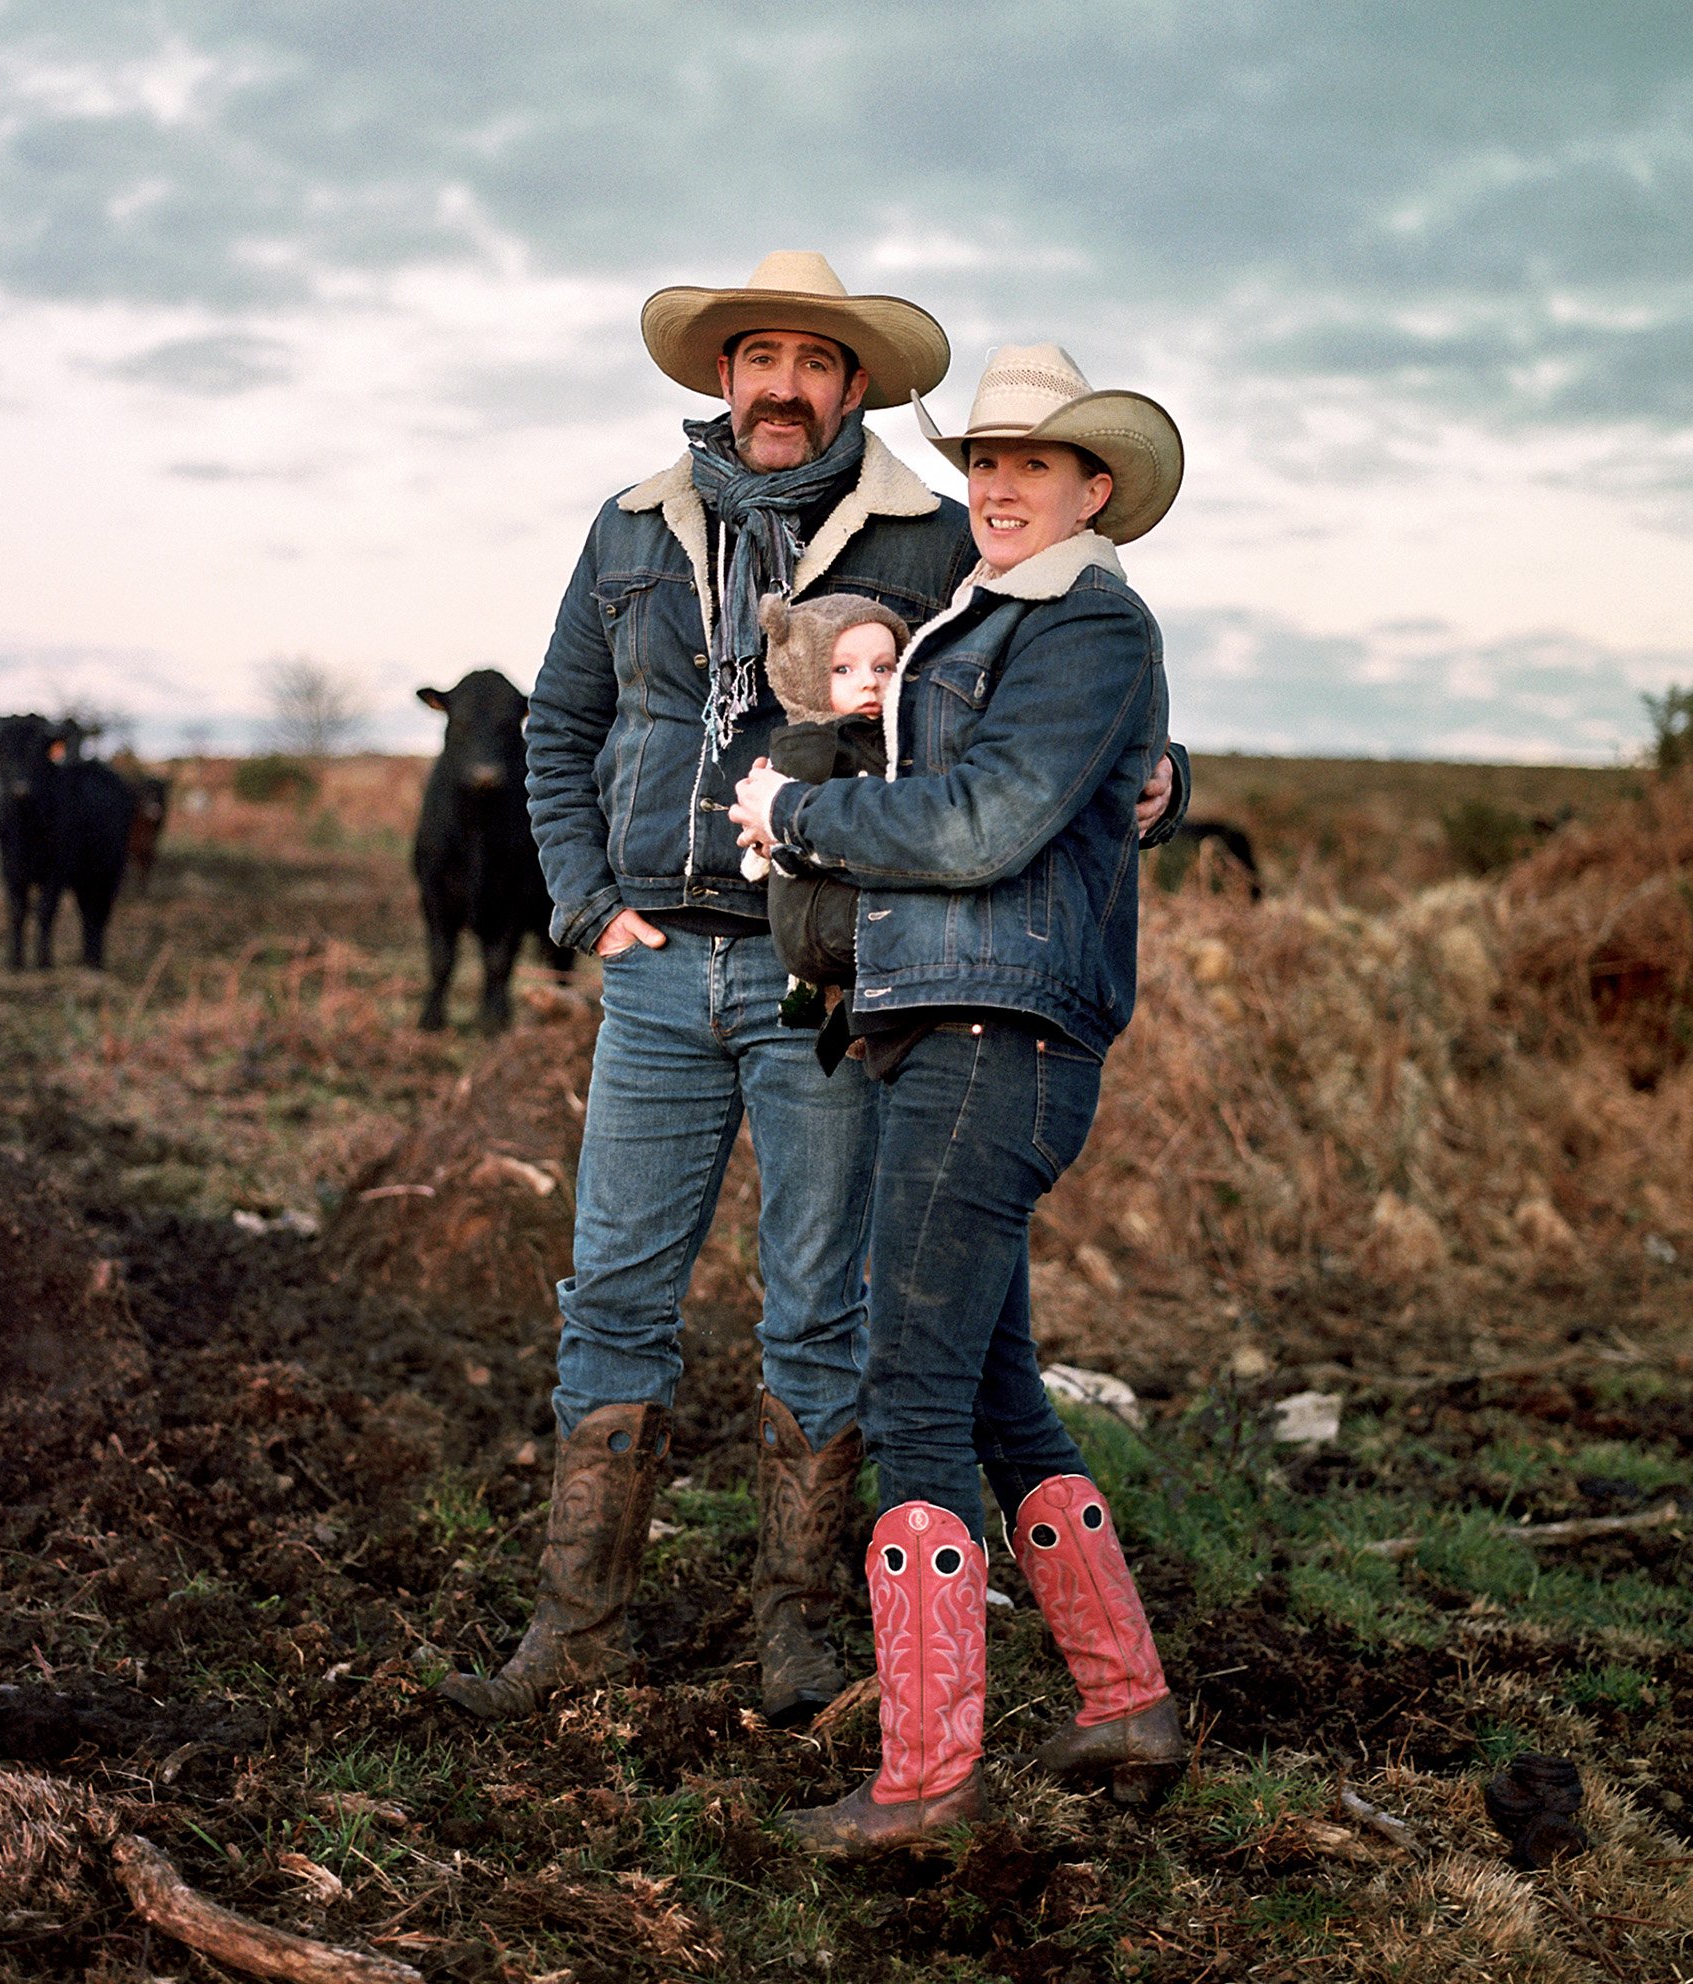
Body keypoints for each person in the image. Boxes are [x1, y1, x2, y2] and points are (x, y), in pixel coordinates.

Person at [439, 251, 976, 1731]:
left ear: (853, 387)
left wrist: (1158, 775)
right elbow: (560, 725)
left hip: (829, 973)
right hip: (660, 972)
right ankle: (575, 1630)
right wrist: (588, 909)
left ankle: (796, 1640)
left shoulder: (929, 541)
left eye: (815, 361)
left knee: (817, 1307)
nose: (783, 385)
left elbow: (1045, 680)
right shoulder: (628, 531)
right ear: (721, 377)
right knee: (612, 1291)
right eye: (759, 358)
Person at [730, 344, 1192, 1854]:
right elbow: (1024, 776)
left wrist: (801, 813)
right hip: (959, 1028)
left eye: (1032, 464)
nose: (995, 484)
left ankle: (925, 1781)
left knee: (911, 1389)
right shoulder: (1000, 613)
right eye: (983, 459)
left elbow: (989, 820)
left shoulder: (1087, 622)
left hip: (1000, 1034)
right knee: (993, 1387)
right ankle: (1124, 1700)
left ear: (1093, 486)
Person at [744, 592, 908, 1066]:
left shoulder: (898, 744)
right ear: (804, 675)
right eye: (844, 670)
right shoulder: (808, 746)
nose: (869, 685)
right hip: (822, 924)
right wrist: (765, 845)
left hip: (854, 936)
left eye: (883, 668)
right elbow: (780, 830)